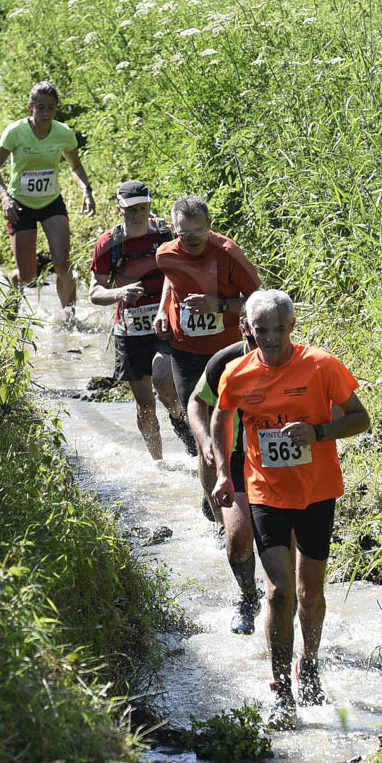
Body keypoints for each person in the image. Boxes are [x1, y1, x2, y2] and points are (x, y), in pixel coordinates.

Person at [211, 289, 371, 722]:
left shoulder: (321, 366)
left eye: (279, 330)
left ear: (292, 327)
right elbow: (221, 417)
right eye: (262, 331)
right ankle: (281, 687)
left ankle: (310, 665)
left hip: (317, 492)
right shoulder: (236, 373)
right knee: (280, 592)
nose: (271, 339)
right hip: (266, 492)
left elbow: (361, 418)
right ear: (250, 329)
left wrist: (317, 432)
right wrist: (224, 472)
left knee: (309, 593)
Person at [153, 195, 261, 522]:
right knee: (205, 436)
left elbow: (257, 301)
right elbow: (172, 279)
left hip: (227, 351)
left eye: (197, 233)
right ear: (174, 231)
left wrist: (220, 305)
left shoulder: (228, 253)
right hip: (185, 351)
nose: (191, 240)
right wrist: (163, 310)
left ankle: (241, 491)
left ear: (209, 226)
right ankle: (218, 521)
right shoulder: (165, 254)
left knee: (231, 428)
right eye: (184, 234)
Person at [89, 180, 191, 459]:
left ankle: (179, 419)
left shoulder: (167, 233)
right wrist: (120, 293)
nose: (137, 215)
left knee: (164, 379)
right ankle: (158, 465)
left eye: (142, 208)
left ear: (149, 207)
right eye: (131, 210)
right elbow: (95, 292)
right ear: (119, 210)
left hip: (165, 322)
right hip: (129, 329)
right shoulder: (109, 243)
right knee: (145, 406)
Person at [0, 81, 96, 308]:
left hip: (51, 203)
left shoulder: (63, 133)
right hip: (20, 205)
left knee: (63, 264)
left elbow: (75, 166)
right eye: (40, 107)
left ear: (56, 108)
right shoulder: (15, 132)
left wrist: (86, 190)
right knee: (27, 277)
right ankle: (12, 299)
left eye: (50, 108)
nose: (45, 113)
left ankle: (70, 320)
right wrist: (5, 197)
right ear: (31, 106)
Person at [190, 316, 261, 634]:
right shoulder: (225, 362)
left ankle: (287, 607)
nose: (266, 345)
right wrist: (206, 439)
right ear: (245, 331)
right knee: (238, 539)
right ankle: (248, 596)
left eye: (275, 333)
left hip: (281, 464)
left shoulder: (301, 362)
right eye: (257, 336)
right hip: (236, 458)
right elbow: (196, 402)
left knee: (287, 553)